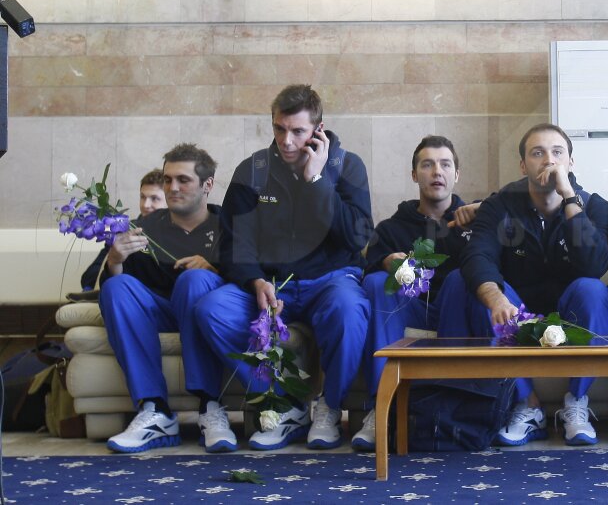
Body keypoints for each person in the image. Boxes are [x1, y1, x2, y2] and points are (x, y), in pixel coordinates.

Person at [193, 84, 373, 451]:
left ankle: (329, 406)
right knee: (210, 309)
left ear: (319, 129)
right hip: (270, 285)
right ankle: (285, 405)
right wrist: (254, 279)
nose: (287, 141)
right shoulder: (253, 170)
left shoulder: (347, 165)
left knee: (350, 310)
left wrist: (317, 181)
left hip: (330, 280)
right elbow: (233, 242)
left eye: (298, 131)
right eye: (279, 129)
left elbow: (356, 238)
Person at [451, 123, 608, 446]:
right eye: (537, 153)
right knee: (482, 287)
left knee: (593, 289)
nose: (548, 162)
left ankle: (576, 403)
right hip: (517, 310)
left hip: (570, 312)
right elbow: (478, 256)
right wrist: (495, 298)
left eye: (557, 153)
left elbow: (594, 265)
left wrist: (569, 197)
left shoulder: (593, 205)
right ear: (524, 165)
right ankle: (528, 405)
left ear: (571, 163)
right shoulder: (500, 206)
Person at [100, 144, 231, 453]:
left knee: (195, 279)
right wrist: (115, 259)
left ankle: (210, 406)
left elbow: (255, 277)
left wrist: (215, 268)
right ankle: (155, 410)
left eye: (183, 180)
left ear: (207, 185)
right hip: (160, 310)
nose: (172, 188)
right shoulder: (143, 227)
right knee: (116, 287)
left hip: (205, 310)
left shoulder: (230, 225)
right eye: (168, 180)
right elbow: (117, 294)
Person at [352, 135, 476, 451]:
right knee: (378, 283)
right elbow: (367, 271)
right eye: (427, 164)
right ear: (414, 174)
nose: (437, 171)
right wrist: (387, 260)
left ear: (457, 174)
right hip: (409, 311)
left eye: (445, 164)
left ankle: (457, 406)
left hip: (458, 314)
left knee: (461, 279)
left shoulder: (474, 222)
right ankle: (382, 407)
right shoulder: (392, 228)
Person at [79, 170, 168, 292]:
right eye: (143, 197)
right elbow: (90, 275)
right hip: (126, 294)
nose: (146, 205)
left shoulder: (179, 233)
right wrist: (113, 262)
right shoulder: (124, 230)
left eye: (154, 198)